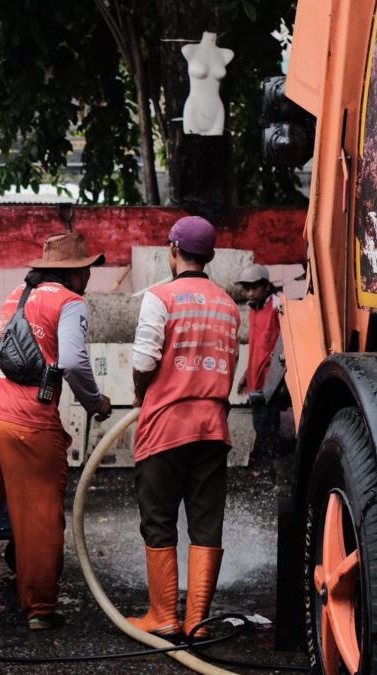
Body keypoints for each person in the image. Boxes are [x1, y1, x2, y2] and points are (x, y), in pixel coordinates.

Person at [0, 232, 113, 632]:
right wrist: (96, 403)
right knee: (39, 517)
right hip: (27, 422)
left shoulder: (17, 294)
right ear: (75, 272)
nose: (88, 279)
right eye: (86, 271)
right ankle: (40, 611)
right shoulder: (71, 301)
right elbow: (75, 362)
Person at [128, 216, 240, 639]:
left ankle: (163, 615)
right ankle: (197, 620)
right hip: (212, 429)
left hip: (165, 426)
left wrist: (142, 393)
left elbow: (143, 361)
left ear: (173, 251)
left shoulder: (160, 297)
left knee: (158, 519)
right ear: (209, 256)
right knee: (206, 522)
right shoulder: (228, 305)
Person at [236, 264, 284, 459]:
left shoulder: (276, 306)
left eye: (254, 288)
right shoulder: (252, 310)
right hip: (255, 376)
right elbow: (256, 347)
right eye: (246, 289)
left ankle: (272, 462)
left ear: (265, 286)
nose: (249, 293)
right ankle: (266, 459)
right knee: (259, 422)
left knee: (269, 423)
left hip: (270, 378)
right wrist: (246, 375)